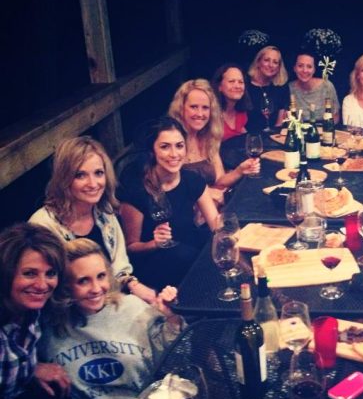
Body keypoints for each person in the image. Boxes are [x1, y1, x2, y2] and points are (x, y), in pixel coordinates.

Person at [39, 239, 182, 399]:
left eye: (101, 276)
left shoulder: (133, 308)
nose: (96, 288)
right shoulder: (46, 327)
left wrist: (172, 319)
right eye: (83, 281)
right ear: (65, 286)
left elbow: (176, 360)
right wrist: (33, 367)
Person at [0, 223, 97, 399]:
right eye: (29, 273)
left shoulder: (30, 309)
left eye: (51, 273)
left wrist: (31, 366)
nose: (43, 285)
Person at [30, 136, 156, 304]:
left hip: (109, 298)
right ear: (64, 179)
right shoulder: (42, 226)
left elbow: (119, 267)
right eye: (80, 175)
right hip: (70, 309)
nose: (93, 183)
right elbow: (47, 289)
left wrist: (133, 285)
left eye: (98, 173)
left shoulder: (104, 211)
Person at [118, 116, 221, 289]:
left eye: (179, 146)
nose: (174, 154)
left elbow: (216, 225)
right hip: (157, 264)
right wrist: (153, 244)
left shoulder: (192, 180)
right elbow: (130, 248)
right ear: (152, 151)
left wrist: (232, 233)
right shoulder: (137, 191)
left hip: (190, 250)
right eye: (165, 147)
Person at [167, 79, 258, 214]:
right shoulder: (172, 141)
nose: (200, 114)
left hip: (212, 210)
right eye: (194, 107)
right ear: (181, 108)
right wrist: (207, 193)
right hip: (185, 213)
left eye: (205, 108)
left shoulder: (208, 139)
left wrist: (239, 170)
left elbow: (220, 181)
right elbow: (168, 187)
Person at [246, 45, 290, 132]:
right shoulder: (245, 85)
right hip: (249, 135)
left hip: (274, 135)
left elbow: (280, 122)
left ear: (279, 67)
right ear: (258, 62)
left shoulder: (281, 87)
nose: (271, 65)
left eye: (275, 62)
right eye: (266, 60)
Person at [289, 51, 340, 123]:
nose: (305, 70)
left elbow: (335, 116)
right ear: (294, 68)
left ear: (314, 70)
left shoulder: (327, 86)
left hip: (324, 129)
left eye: (309, 66)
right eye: (300, 66)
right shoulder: (290, 88)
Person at [212, 62, 252, 141]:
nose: (237, 86)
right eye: (231, 81)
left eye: (241, 82)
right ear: (219, 86)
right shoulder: (211, 114)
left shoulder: (241, 113)